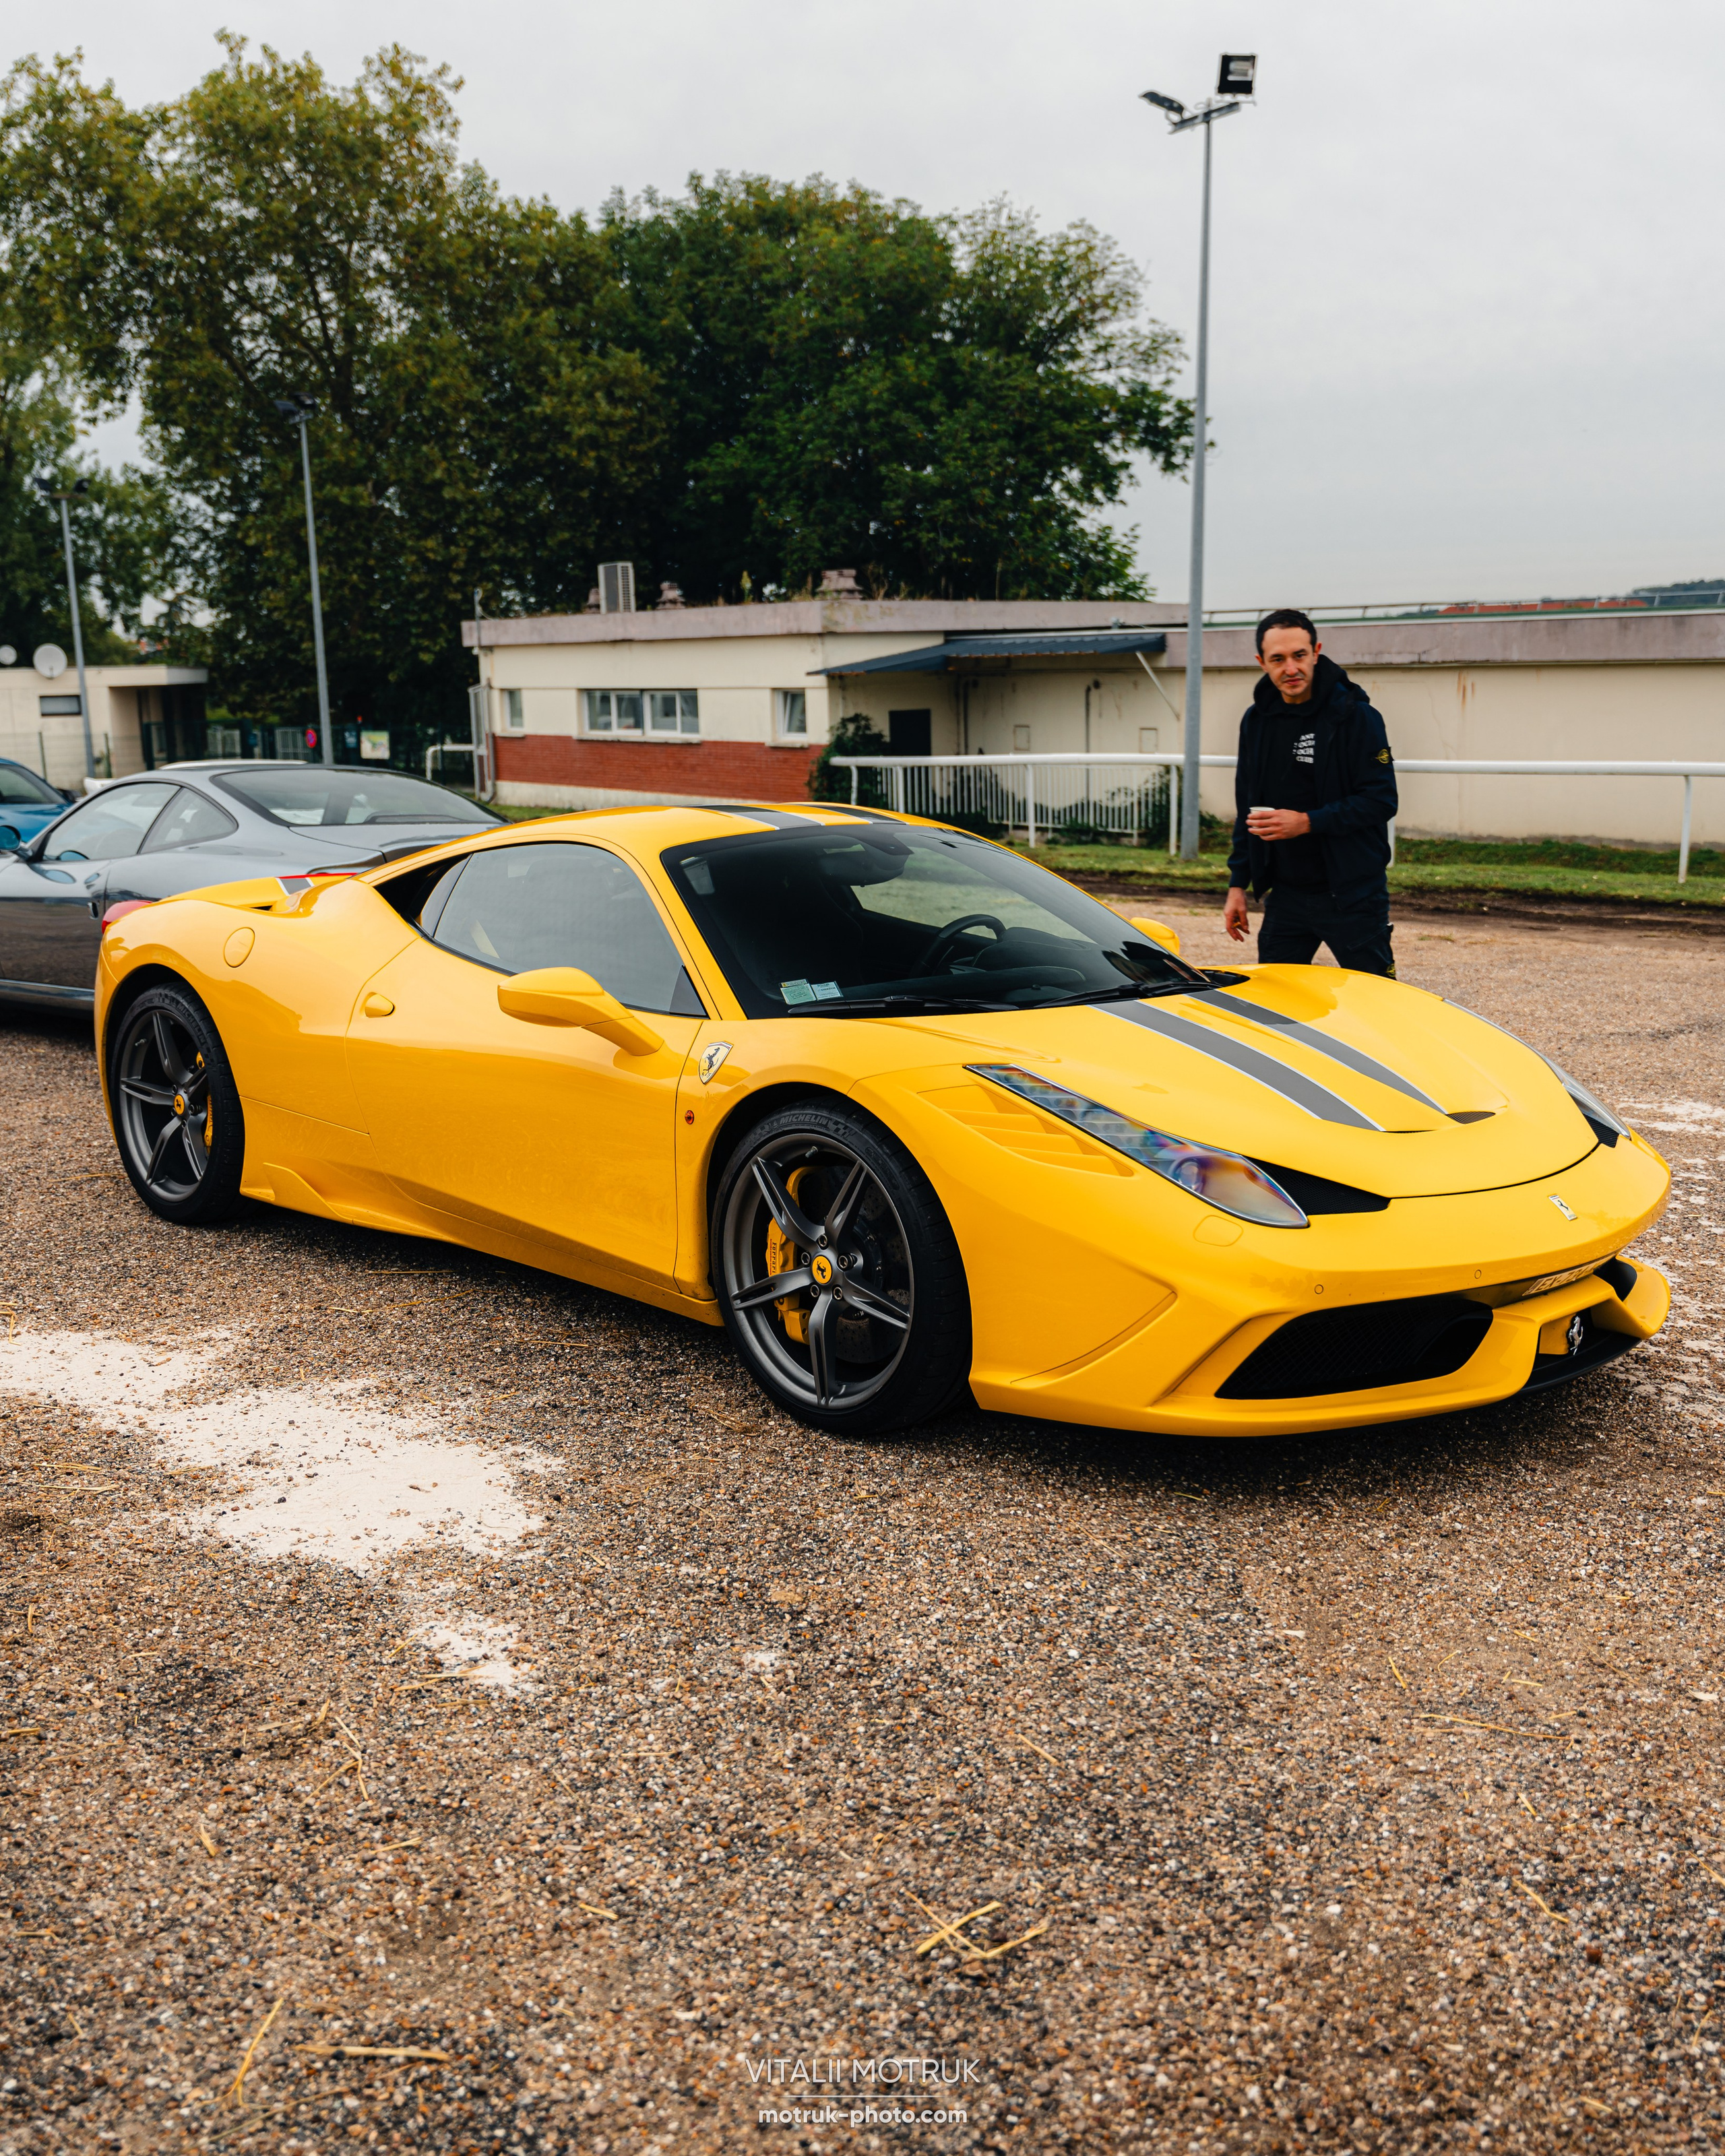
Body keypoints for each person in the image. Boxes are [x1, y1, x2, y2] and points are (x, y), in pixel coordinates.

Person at [1222, 608, 1399, 975]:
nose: (1291, 669)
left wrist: (1307, 822)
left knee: (1378, 1003)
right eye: (1278, 659)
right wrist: (1238, 884)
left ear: (1316, 652)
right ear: (1261, 662)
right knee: (1275, 1008)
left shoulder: (1357, 717)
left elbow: (1381, 800)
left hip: (1352, 894)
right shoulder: (1256, 722)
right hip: (1286, 896)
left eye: (1299, 655)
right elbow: (1247, 809)